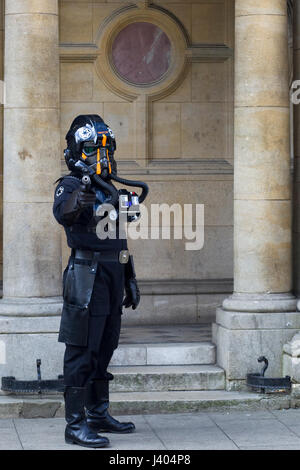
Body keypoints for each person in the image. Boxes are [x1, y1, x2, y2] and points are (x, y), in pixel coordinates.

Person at [53, 114, 148, 448]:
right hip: (86, 275)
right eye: (95, 150)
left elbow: (119, 237)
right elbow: (62, 212)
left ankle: (97, 413)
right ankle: (74, 424)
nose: (102, 157)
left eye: (107, 149)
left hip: (111, 275)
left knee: (106, 346)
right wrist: (76, 203)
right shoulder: (72, 184)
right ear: (79, 151)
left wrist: (129, 277)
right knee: (81, 349)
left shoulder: (111, 189)